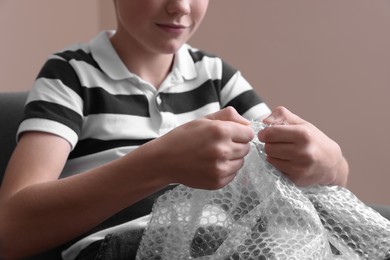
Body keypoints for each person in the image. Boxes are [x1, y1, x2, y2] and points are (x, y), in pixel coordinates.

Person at [0, 0, 348, 259]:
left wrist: (329, 163)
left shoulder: (215, 75)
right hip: (118, 246)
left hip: (225, 241)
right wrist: (158, 163)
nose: (180, 6)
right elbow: (11, 229)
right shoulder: (71, 74)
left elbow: (322, 176)